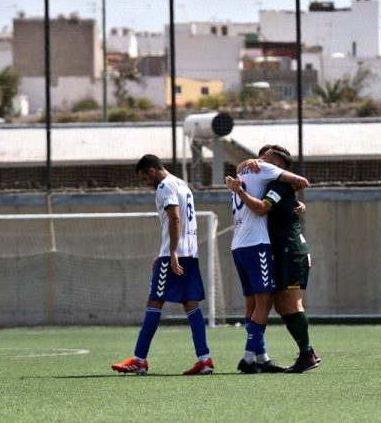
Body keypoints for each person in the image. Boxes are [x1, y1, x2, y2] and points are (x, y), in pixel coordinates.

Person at [112, 154, 213, 375]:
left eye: (143, 179)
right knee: (191, 304)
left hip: (175, 254)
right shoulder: (182, 184)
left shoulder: (165, 186)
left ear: (151, 171)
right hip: (190, 253)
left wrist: (171, 252)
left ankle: (139, 360)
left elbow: (175, 218)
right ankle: (204, 359)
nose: (145, 184)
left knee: (154, 301)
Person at [232, 145, 319, 373]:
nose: (262, 161)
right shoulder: (263, 183)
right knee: (273, 304)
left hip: (290, 250)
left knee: (285, 303)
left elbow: (263, 208)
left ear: (276, 167)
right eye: (261, 158)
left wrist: (293, 199)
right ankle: (262, 357)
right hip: (271, 249)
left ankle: (304, 353)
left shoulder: (277, 184)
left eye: (268, 160)